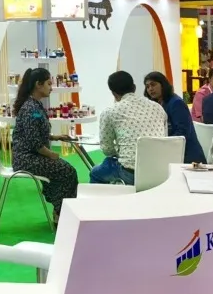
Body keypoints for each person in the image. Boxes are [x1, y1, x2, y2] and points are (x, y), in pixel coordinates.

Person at [11, 68, 78, 225]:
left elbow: (35, 132)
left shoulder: (35, 105)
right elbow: (35, 143)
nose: (51, 88)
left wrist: (54, 137)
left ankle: (60, 208)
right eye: (48, 83)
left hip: (33, 155)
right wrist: (50, 154)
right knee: (67, 171)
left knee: (64, 170)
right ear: (38, 84)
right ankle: (60, 212)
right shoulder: (31, 108)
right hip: (26, 159)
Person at [91, 71, 167, 185]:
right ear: (134, 87)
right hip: (160, 172)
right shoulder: (158, 108)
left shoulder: (109, 112)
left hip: (131, 174)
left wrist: (119, 152)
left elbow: (107, 149)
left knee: (95, 173)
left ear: (113, 93)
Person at [143, 71, 205, 164]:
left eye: (153, 85)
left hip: (187, 157)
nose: (150, 89)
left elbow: (182, 132)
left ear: (163, 85)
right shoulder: (158, 104)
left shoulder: (176, 103)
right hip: (171, 151)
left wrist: (162, 143)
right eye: (147, 87)